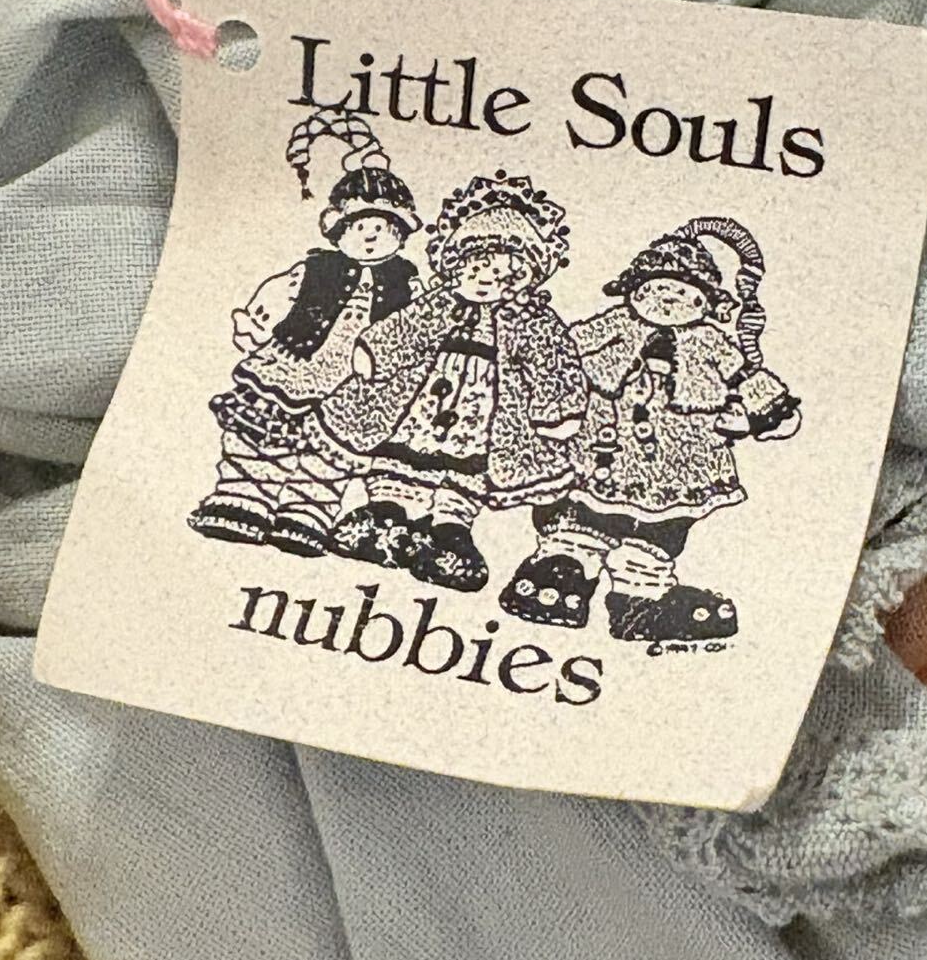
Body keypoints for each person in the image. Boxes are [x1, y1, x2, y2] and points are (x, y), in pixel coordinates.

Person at [500, 219, 800, 641]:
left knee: (656, 535)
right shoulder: (611, 325)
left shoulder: (712, 343)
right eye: (657, 289)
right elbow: (562, 350)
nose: (668, 300)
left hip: (679, 464)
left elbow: (751, 381)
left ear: (706, 303)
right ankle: (562, 570)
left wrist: (755, 418)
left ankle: (640, 597)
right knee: (581, 516)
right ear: (634, 291)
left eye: (684, 293)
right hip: (601, 449)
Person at [312, 171, 588, 591]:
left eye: (498, 273)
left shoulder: (532, 319)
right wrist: (376, 352)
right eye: (474, 267)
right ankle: (387, 513)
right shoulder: (442, 303)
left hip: (487, 412)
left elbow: (553, 361)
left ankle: (450, 532)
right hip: (421, 400)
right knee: (401, 453)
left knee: (466, 471)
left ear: (522, 277)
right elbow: (408, 327)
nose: (483, 278)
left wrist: (557, 410)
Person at [188, 160, 422, 555]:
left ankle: (307, 512)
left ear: (400, 234)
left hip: (356, 386)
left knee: (334, 451)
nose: (370, 237)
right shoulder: (315, 268)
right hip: (295, 365)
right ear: (339, 229)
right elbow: (281, 294)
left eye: (382, 229)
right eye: (360, 227)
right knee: (264, 431)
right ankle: (243, 495)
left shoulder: (407, 282)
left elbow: (417, 326)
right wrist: (257, 325)